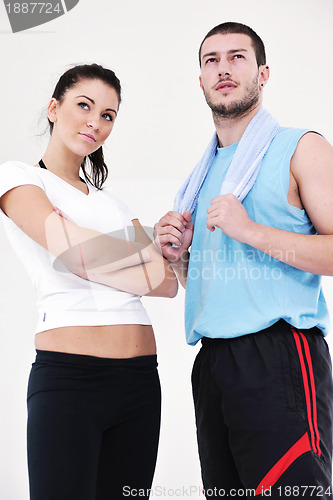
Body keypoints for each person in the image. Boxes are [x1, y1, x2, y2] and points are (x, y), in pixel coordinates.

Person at [154, 22, 333, 499]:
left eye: (237, 57)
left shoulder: (301, 147)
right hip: (213, 364)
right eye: (211, 60)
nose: (223, 69)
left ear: (263, 73)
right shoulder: (201, 174)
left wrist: (249, 229)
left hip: (280, 356)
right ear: (200, 80)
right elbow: (220, 288)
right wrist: (179, 258)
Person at [0, 63, 178, 500]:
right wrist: (137, 252)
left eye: (108, 115)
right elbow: (75, 255)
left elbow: (167, 281)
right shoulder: (19, 178)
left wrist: (93, 248)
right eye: (84, 106)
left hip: (139, 383)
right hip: (69, 381)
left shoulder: (111, 203)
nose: (95, 122)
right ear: (54, 107)